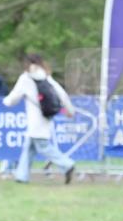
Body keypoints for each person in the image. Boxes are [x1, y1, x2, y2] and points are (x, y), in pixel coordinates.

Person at [4, 53, 76, 184]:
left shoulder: (26, 78)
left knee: (43, 147)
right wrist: (70, 110)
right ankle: (22, 176)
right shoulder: (46, 77)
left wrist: (6, 101)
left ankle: (67, 165)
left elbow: (14, 97)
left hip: (35, 120)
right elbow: (62, 94)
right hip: (45, 117)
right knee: (29, 147)